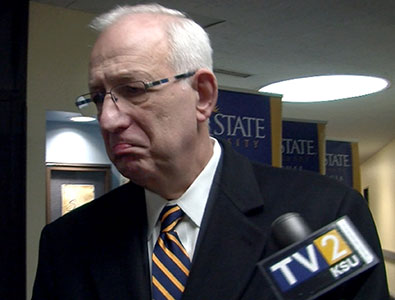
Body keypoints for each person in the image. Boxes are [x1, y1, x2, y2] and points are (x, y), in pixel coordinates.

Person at [32, 4, 389, 299]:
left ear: (202, 95)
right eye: (98, 97)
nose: (108, 119)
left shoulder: (323, 213)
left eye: (133, 89)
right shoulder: (69, 242)